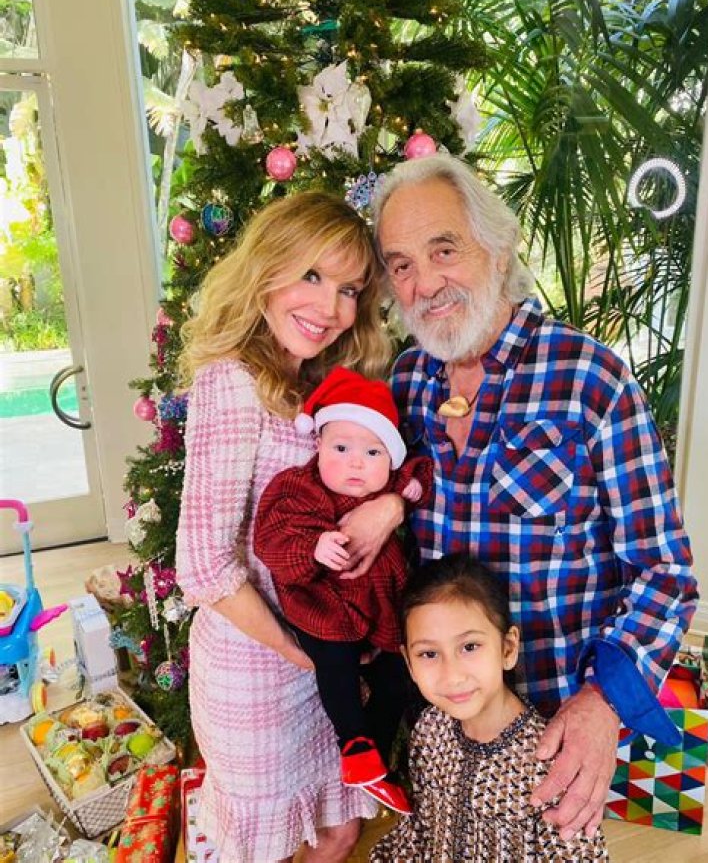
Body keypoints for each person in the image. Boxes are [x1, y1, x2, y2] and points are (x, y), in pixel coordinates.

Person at [351, 153, 697, 841]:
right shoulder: (406, 382)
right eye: (402, 265)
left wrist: (602, 706)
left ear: (499, 246)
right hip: (441, 733)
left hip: (552, 740)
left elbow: (665, 574)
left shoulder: (589, 380)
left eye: (443, 250)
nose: (425, 285)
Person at [175, 191, 395, 863]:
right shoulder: (232, 383)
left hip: (320, 665)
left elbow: (371, 475)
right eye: (311, 276)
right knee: (263, 848)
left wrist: (389, 507)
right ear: (265, 271)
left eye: (349, 289)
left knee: (340, 828)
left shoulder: (321, 385)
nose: (330, 308)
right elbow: (203, 567)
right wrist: (303, 653)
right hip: (257, 675)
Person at [253, 366, 434, 815]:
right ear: (317, 445)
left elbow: (420, 472)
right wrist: (313, 547)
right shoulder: (298, 488)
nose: (356, 463)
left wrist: (407, 492)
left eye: (373, 452)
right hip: (322, 605)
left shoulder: (386, 485)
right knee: (336, 665)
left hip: (379, 604)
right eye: (341, 448)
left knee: (398, 673)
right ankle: (353, 741)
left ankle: (374, 754)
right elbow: (270, 540)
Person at [370, 553, 610, 861]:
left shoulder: (549, 762)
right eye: (429, 654)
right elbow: (420, 831)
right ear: (409, 663)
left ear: (507, 649)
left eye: (469, 647)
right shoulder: (429, 730)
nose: (452, 675)